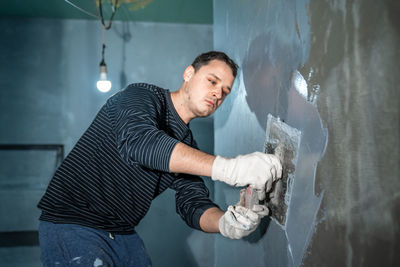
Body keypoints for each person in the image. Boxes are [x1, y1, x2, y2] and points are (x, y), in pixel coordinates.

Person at [37, 51, 282, 266]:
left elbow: (193, 204)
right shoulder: (140, 97)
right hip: (73, 223)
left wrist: (226, 223)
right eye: (212, 81)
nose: (217, 93)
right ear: (188, 73)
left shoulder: (186, 146)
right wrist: (230, 168)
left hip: (123, 233)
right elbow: (139, 142)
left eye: (225, 91)